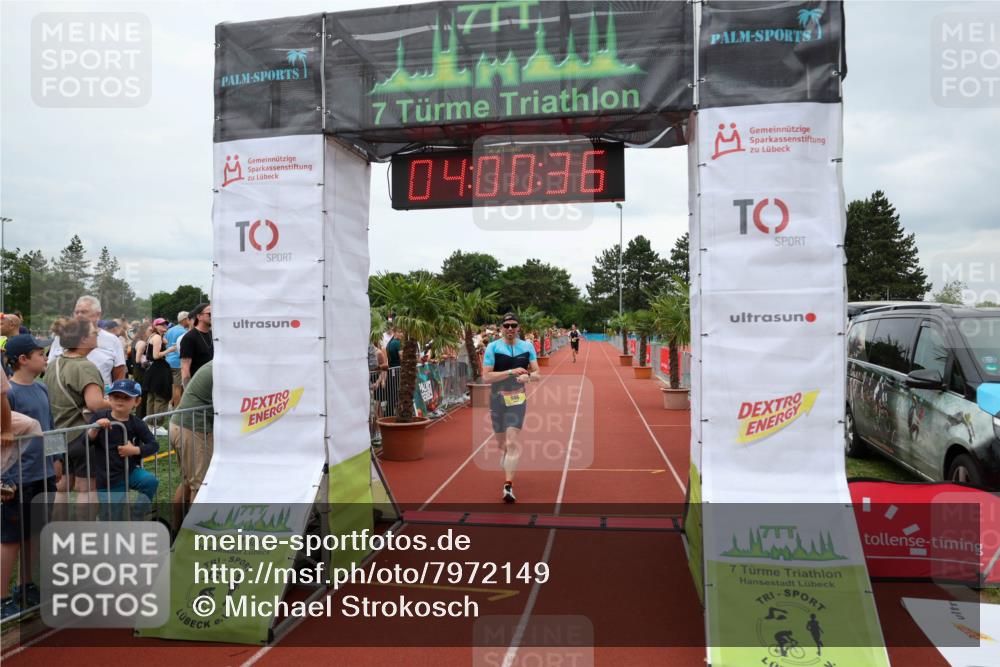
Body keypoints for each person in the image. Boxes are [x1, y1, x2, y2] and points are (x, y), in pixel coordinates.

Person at [43, 317, 109, 517]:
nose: (96, 333)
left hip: (56, 435)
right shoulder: (84, 366)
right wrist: (115, 403)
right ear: (81, 339)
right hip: (80, 436)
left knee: (61, 488)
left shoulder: (54, 363)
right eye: (92, 332)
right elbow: (95, 404)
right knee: (86, 488)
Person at [481, 313, 540, 503]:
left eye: (513, 325)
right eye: (506, 325)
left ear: (518, 327)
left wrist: (528, 377)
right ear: (501, 328)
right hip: (497, 399)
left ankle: (508, 486)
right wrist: (510, 372)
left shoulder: (527, 346)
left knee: (512, 440)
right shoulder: (493, 347)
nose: (510, 329)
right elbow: (486, 377)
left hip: (517, 399)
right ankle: (507, 456)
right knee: (502, 444)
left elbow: (538, 373)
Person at [87, 379, 159, 520]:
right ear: (109, 398)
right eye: (116, 396)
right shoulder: (99, 417)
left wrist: (135, 450)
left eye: (126, 397)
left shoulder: (136, 423)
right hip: (108, 478)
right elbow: (85, 442)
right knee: (112, 518)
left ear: (137, 402)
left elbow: (154, 445)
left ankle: (136, 516)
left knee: (150, 481)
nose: (120, 401)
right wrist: (94, 429)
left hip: (130, 471)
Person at [168, 361, 212, 531]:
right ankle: (192, 539)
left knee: (188, 481)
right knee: (199, 486)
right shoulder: (223, 368)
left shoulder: (215, 365)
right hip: (192, 428)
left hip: (183, 424)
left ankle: (176, 531)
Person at [48, 296, 127, 386]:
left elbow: (119, 373)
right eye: (76, 312)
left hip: (101, 396)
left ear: (98, 314)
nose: (79, 315)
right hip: (67, 396)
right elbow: (51, 366)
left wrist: (114, 397)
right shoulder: (61, 337)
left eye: (84, 312)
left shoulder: (112, 340)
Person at [143, 318, 176, 425]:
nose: (164, 326)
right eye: (161, 325)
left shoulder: (154, 336)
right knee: (160, 397)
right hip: (158, 369)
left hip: (152, 370)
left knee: (152, 398)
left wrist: (163, 340)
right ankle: (157, 425)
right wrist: (169, 350)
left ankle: (150, 424)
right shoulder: (156, 337)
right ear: (156, 326)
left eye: (166, 324)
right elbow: (156, 356)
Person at [180, 303, 212, 388]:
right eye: (210, 314)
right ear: (199, 316)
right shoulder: (189, 338)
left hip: (213, 385)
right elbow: (185, 368)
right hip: (198, 386)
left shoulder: (213, 334)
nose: (213, 316)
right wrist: (188, 390)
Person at [165, 311, 190, 407]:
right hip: (177, 362)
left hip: (168, 361)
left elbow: (166, 344)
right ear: (184, 320)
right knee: (177, 388)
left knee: (173, 387)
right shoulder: (184, 332)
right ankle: (177, 412)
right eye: (188, 319)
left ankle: (171, 407)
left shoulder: (169, 330)